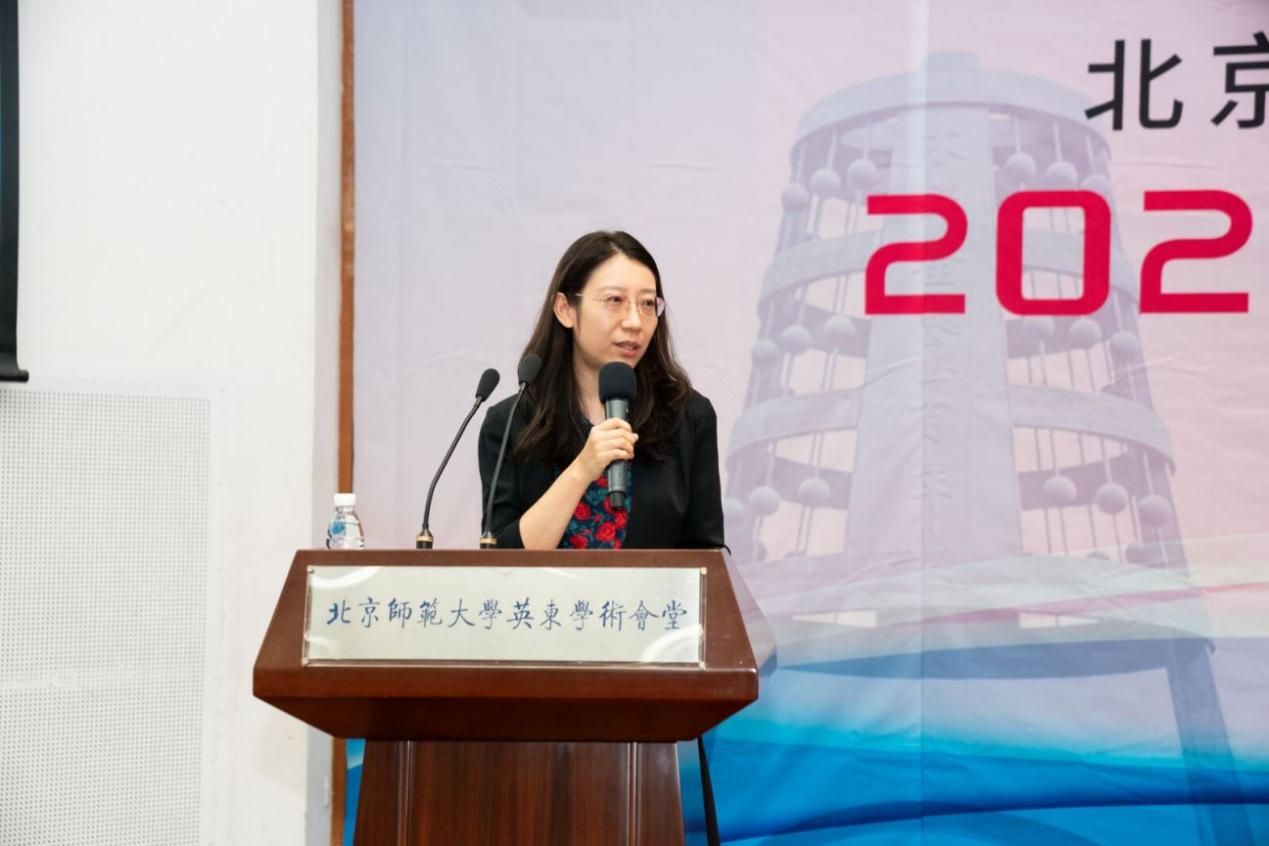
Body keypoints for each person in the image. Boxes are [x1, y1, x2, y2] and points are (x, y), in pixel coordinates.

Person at [478, 230, 724, 551]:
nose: (635, 321)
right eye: (614, 301)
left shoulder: (688, 416)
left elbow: (707, 557)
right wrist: (582, 470)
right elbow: (500, 561)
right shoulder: (510, 423)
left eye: (647, 304)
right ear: (566, 309)